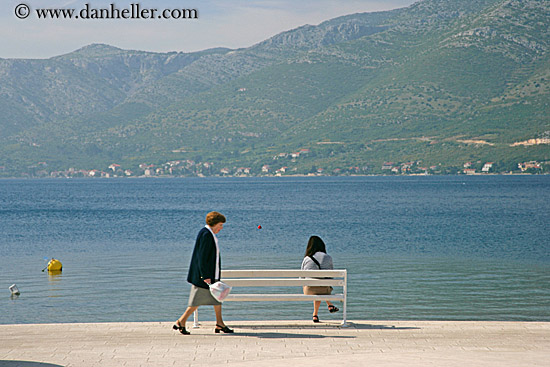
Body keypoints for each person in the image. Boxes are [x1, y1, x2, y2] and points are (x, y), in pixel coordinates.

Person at [173, 211, 234, 335]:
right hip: (204, 277)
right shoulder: (206, 234)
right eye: (220, 225)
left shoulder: (208, 233)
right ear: (215, 224)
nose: (221, 228)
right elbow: (202, 257)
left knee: (218, 298)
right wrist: (205, 276)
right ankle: (181, 321)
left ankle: (220, 323)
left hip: (211, 275)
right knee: (196, 302)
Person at [301, 235, 339, 323]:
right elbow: (331, 276)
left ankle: (315, 314)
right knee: (321, 285)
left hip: (309, 290)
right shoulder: (328, 257)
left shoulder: (307, 259)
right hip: (325, 290)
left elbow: (301, 277)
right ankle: (329, 305)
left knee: (315, 285)